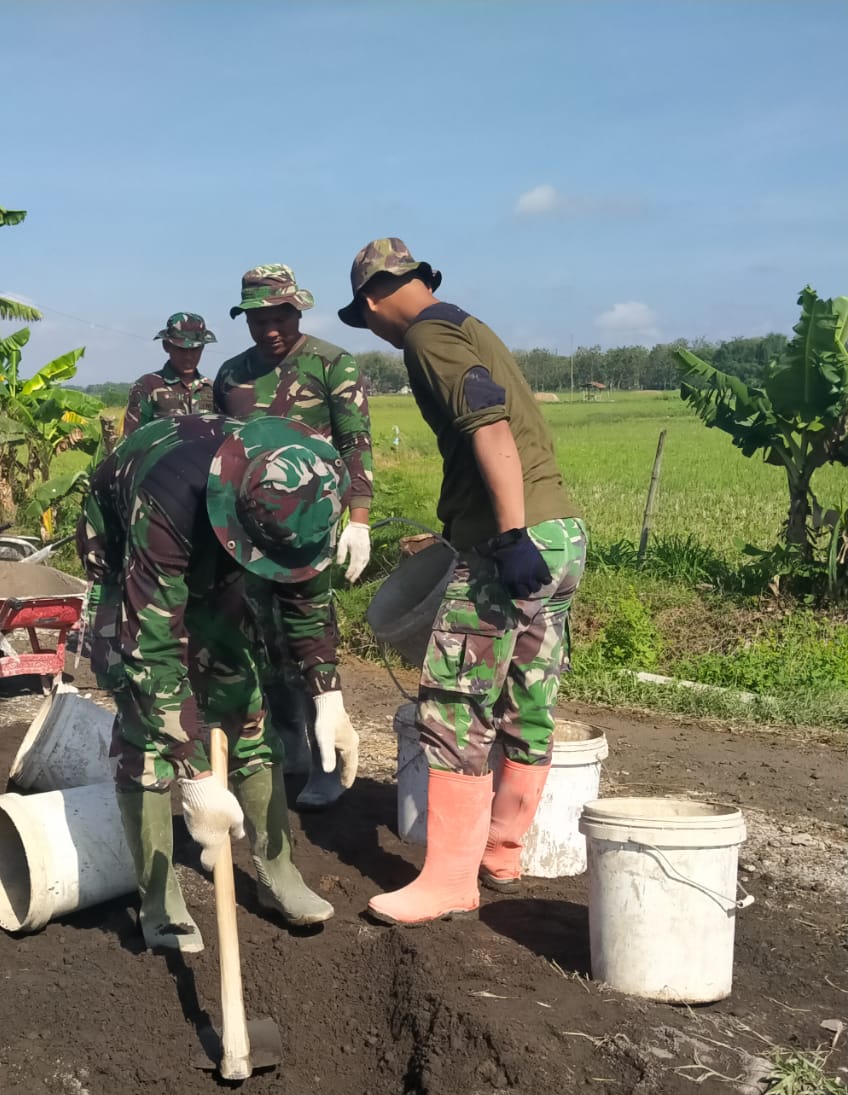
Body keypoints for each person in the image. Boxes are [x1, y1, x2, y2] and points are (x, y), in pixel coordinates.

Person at [338, 237, 587, 924]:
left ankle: (449, 880)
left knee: (453, 702)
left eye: (368, 323)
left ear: (371, 301)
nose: (379, 335)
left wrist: (505, 534)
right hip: (562, 534)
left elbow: (489, 427)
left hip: (511, 539)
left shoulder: (424, 336)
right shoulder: (468, 323)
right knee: (527, 694)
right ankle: (502, 851)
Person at [76, 413, 359, 953]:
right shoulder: (167, 495)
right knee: (146, 727)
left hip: (225, 551)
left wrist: (328, 695)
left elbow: (306, 600)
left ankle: (278, 870)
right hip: (126, 554)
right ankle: (158, 896)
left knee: (244, 700)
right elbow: (153, 650)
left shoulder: (310, 493)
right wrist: (198, 774)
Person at [214, 264, 375, 807]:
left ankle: (328, 758)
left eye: (280, 315)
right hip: (246, 534)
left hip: (310, 529)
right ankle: (290, 749)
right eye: (259, 319)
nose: (270, 328)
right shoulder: (232, 375)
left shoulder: (332, 365)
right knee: (263, 638)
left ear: (298, 310)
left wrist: (359, 519)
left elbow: (356, 445)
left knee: (311, 634)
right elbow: (221, 456)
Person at [123, 312, 217, 435]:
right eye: (181, 349)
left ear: (203, 348)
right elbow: (131, 440)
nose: (188, 356)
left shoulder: (211, 389)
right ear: (166, 346)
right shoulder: (147, 385)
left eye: (195, 349)